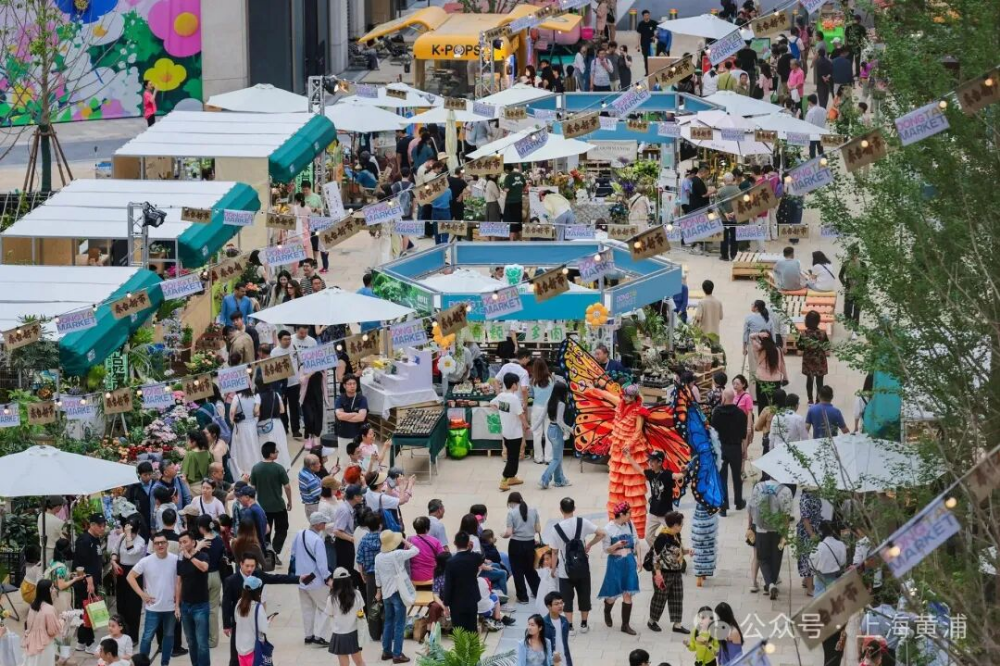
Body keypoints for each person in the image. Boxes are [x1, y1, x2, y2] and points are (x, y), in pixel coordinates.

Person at [543, 498, 604, 634]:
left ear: (561, 509)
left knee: (566, 598)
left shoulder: (556, 529)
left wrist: (553, 569)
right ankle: (584, 624)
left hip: (565, 571)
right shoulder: (582, 522)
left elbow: (554, 552)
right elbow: (601, 533)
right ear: (574, 508)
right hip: (583, 568)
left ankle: (570, 626)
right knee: (584, 595)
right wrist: (589, 544)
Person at [128, 531, 180, 665]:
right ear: (153, 545)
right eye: (157, 543)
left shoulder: (175, 560)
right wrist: (141, 594)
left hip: (170, 607)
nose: (160, 545)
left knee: (169, 636)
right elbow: (130, 576)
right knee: (147, 637)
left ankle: (165, 663)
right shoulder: (146, 561)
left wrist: (178, 603)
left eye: (162, 542)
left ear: (167, 544)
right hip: (153, 607)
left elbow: (180, 582)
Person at [374, 531, 418, 662]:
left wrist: (378, 591)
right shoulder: (397, 554)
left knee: (388, 622)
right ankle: (397, 654)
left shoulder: (378, 557)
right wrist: (404, 540)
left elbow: (377, 576)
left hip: (386, 593)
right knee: (399, 624)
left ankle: (386, 651)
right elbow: (416, 550)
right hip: (398, 593)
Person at [598, 502, 640, 635]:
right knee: (612, 595)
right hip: (615, 563)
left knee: (628, 593)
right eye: (629, 513)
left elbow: (637, 542)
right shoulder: (608, 529)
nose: (631, 515)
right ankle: (607, 610)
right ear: (621, 514)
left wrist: (639, 560)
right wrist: (616, 545)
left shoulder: (630, 524)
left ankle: (625, 625)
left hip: (629, 561)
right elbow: (606, 550)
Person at [747, 478, 793, 599]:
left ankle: (770, 584)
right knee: (776, 558)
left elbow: (751, 509)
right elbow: (787, 515)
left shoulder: (758, 487)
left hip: (761, 528)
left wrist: (749, 526)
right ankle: (771, 583)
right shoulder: (786, 490)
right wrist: (785, 534)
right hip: (778, 529)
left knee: (762, 558)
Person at [292, 513, 333, 646]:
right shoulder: (318, 541)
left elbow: (293, 553)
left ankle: (308, 635)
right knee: (325, 608)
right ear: (318, 524)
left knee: (307, 609)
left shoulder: (300, 534)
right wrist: (328, 578)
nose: (325, 525)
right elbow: (322, 564)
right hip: (316, 581)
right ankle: (319, 636)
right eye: (323, 523)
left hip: (301, 579)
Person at [647, 511, 688, 634]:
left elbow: (678, 551)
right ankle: (652, 621)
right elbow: (655, 557)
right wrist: (658, 574)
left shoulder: (676, 535)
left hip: (676, 570)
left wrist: (687, 551)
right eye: (681, 524)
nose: (682, 526)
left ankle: (677, 625)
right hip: (663, 572)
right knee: (660, 597)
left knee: (677, 596)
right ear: (675, 525)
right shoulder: (662, 537)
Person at [73, 514, 107, 653]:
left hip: (93, 582)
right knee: (89, 612)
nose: (102, 528)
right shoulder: (84, 540)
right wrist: (89, 581)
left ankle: (81, 641)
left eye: (104, 525)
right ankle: (89, 642)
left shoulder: (96, 538)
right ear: (92, 525)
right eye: (100, 526)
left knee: (86, 612)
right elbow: (81, 564)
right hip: (85, 583)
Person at [109, 517, 147, 644]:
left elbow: (131, 551)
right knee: (122, 605)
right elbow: (114, 550)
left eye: (132, 532)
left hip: (135, 572)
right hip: (122, 570)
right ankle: (121, 634)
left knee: (133, 607)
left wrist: (129, 535)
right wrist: (114, 562)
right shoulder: (122, 537)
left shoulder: (141, 541)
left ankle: (133, 637)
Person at [176, 531, 211, 666]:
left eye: (185, 542)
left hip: (201, 605)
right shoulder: (180, 561)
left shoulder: (203, 556)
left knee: (202, 642)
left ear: (193, 542)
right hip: (186, 606)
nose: (182, 545)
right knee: (191, 641)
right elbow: (179, 583)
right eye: (180, 543)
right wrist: (177, 605)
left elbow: (204, 568)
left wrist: (190, 557)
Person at [501, 492, 541, 604]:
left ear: (511, 502)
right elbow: (538, 529)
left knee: (517, 571)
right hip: (530, 543)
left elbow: (509, 532)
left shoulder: (511, 513)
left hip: (516, 545)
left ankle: (523, 597)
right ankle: (538, 591)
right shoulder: (533, 510)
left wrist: (502, 535)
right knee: (530, 569)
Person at [493, 372, 529, 491]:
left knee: (512, 455)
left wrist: (503, 411)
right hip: (515, 433)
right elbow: (521, 414)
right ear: (513, 385)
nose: (518, 385)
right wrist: (526, 425)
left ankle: (512, 477)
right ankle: (504, 480)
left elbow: (492, 404)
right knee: (513, 458)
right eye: (517, 383)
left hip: (506, 432)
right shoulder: (514, 398)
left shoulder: (501, 396)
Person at [323, 568, 366, 666]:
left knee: (343, 664)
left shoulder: (331, 598)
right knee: (359, 662)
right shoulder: (357, 594)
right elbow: (361, 612)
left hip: (339, 634)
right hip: (354, 632)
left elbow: (330, 613)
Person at [442, 531, 483, 633]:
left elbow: (448, 584)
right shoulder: (475, 557)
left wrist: (446, 603)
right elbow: (481, 557)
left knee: (459, 630)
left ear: (455, 543)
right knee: (472, 628)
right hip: (472, 597)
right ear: (469, 543)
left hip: (456, 600)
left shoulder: (451, 562)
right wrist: (471, 549)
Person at [23, 578, 63, 666]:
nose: (55, 590)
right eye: (52, 588)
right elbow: (52, 631)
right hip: (44, 646)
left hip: (31, 643)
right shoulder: (49, 609)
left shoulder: (33, 605)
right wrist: (61, 622)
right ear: (47, 591)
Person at [540, 382, 572, 490]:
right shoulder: (561, 404)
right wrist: (570, 429)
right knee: (556, 459)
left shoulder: (550, 400)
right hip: (557, 431)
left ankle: (559, 480)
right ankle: (544, 479)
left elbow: (543, 416)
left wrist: (534, 427)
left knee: (557, 457)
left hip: (550, 429)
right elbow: (560, 421)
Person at [232, 577, 267, 666]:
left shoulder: (239, 604)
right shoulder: (258, 607)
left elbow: (236, 620)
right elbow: (263, 628)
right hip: (254, 650)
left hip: (240, 649)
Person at [749, 331, 787, 412]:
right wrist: (785, 378)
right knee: (775, 404)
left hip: (761, 380)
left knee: (762, 404)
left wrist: (758, 334)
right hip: (776, 380)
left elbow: (751, 336)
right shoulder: (778, 350)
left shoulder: (759, 349)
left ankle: (762, 419)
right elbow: (782, 365)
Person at [530, 359, 559, 464]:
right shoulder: (552, 378)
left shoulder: (533, 380)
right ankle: (549, 458)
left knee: (536, 434)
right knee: (549, 434)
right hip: (549, 408)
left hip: (537, 408)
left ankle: (538, 458)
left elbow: (531, 395)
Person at [808, 521, 847, 596]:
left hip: (820, 579)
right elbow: (843, 561)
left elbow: (811, 563)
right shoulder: (841, 544)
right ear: (833, 531)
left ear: (821, 532)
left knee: (819, 600)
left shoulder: (818, 546)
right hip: (835, 578)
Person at [228, 387, 260, 478]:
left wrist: (231, 421)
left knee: (243, 448)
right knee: (254, 447)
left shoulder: (237, 397)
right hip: (252, 425)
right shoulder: (253, 396)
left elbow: (232, 412)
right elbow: (257, 412)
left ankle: (245, 470)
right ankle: (257, 466)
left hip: (241, 426)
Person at [796, 488, 822, 596]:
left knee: (811, 557)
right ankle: (810, 589)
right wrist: (811, 534)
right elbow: (805, 518)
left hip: (815, 530)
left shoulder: (816, 496)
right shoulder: (806, 498)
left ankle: (806, 581)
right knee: (808, 558)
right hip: (807, 532)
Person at [335, 375, 369, 449]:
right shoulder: (339, 399)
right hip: (343, 434)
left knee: (361, 455)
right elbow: (339, 416)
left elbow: (361, 417)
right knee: (344, 455)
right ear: (344, 386)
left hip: (359, 434)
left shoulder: (362, 399)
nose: (352, 386)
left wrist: (345, 416)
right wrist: (354, 414)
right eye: (350, 384)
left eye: (354, 383)